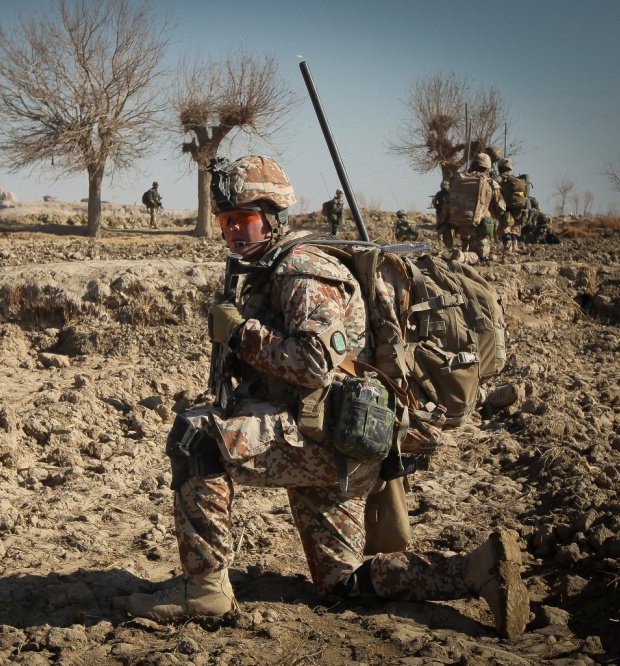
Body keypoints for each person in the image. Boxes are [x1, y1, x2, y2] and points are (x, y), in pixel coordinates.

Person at [127, 154, 531, 639]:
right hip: (336, 441)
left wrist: (241, 335)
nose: (234, 232)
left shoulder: (303, 270)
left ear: (273, 217)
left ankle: (205, 589)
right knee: (343, 585)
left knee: (197, 439)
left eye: (245, 220)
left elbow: (314, 361)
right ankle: (475, 570)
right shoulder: (269, 265)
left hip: (322, 438)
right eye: (227, 221)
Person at [448, 153, 506, 265]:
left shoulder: (459, 179)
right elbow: (501, 208)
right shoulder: (490, 183)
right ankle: (463, 257)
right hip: (479, 225)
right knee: (480, 256)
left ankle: (463, 254)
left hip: (459, 223)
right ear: (488, 167)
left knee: (467, 244)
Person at [496, 159, 531, 255]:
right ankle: (515, 248)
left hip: (505, 207)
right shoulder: (516, 180)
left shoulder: (499, 178)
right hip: (518, 208)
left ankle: (508, 250)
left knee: (505, 228)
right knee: (515, 228)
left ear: (499, 167)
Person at [431, 180, 451, 248]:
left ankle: (441, 243)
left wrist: (437, 207)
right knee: (447, 227)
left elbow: (434, 202)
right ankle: (446, 245)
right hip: (449, 213)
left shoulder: (439, 193)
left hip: (442, 212)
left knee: (440, 227)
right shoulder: (450, 193)